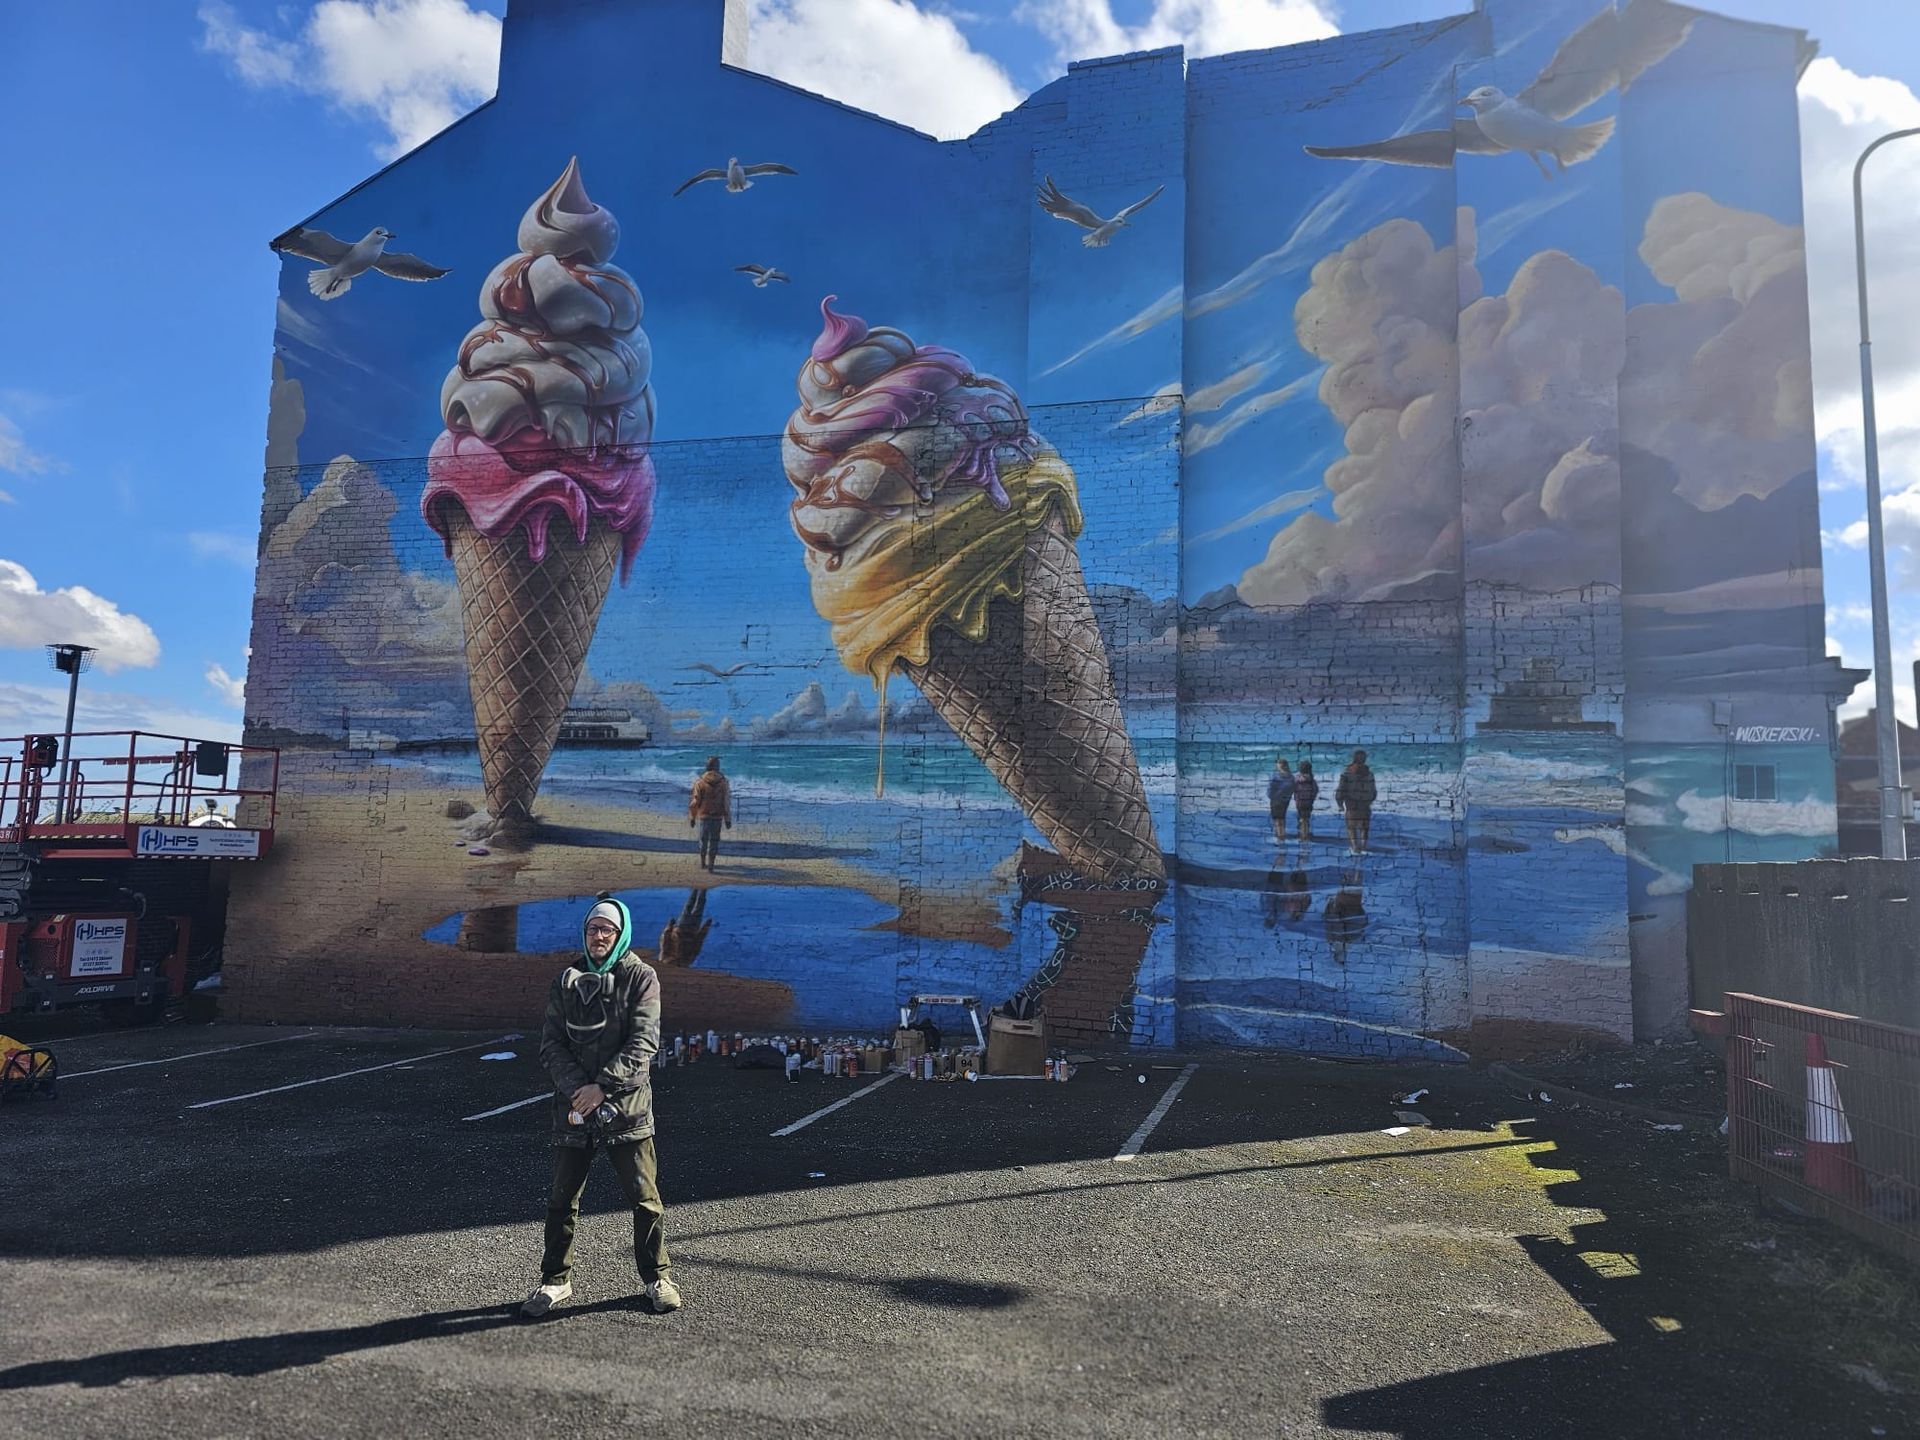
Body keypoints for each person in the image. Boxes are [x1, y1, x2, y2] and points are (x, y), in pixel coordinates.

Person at [523, 895, 681, 1318]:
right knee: (561, 1200)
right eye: (593, 929)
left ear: (620, 933)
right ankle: (555, 1281)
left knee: (645, 1198)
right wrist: (579, 1089)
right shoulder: (567, 980)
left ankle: (657, 1278)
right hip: (574, 1109)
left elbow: (644, 1041)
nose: (599, 936)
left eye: (606, 930)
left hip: (625, 1109)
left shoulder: (641, 978)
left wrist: (602, 1088)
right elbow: (552, 1043)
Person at [687, 756, 732, 871]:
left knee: (703, 839)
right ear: (717, 767)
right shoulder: (724, 782)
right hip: (717, 817)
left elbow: (695, 801)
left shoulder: (700, 782)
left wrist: (692, 817)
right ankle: (711, 865)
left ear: (707, 767)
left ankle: (703, 863)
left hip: (704, 816)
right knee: (714, 841)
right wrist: (727, 819)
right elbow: (726, 802)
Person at [1335, 748, 1377, 854]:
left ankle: (1354, 847)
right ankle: (1363, 847)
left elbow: (1341, 789)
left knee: (1351, 826)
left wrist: (1339, 802)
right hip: (1365, 804)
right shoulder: (1369, 773)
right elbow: (1373, 791)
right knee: (1364, 827)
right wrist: (1370, 800)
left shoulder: (1347, 773)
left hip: (1351, 803)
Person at [1266, 758, 1295, 845]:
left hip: (1276, 799)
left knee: (1276, 818)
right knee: (1282, 817)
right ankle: (1281, 833)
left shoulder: (1275, 776)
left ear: (1280, 766)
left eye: (1278, 764)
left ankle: (1280, 836)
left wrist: (1271, 796)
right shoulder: (1291, 776)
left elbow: (1270, 789)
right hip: (1285, 800)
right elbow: (1292, 788)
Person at [1293, 761, 1319, 842]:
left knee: (1301, 818)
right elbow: (1315, 790)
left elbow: (1293, 789)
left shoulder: (1296, 779)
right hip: (1308, 802)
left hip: (1299, 802)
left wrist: (1296, 797)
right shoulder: (1312, 780)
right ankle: (1305, 833)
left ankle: (1302, 835)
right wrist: (1312, 798)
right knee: (1306, 818)